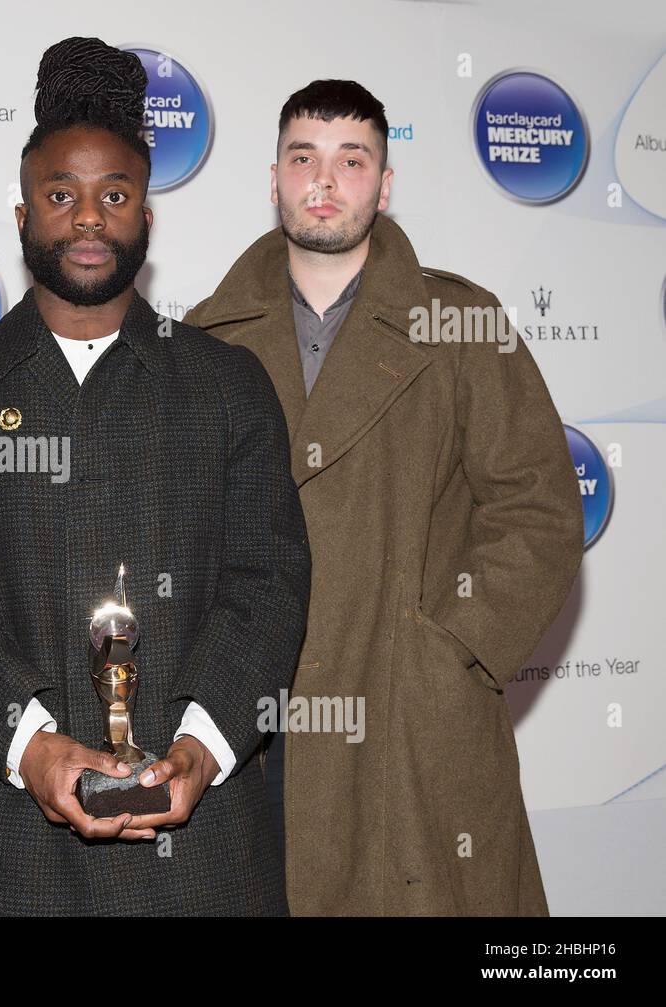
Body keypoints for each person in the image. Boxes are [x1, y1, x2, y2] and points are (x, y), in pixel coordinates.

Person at [0, 37, 311, 915]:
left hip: (209, 853)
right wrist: (35, 745)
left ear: (148, 220)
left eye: (114, 195)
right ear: (22, 217)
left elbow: (269, 586)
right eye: (61, 196)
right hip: (16, 855)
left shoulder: (228, 386)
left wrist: (199, 745)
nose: (88, 218)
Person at [186, 79, 584, 915]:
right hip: (251, 720)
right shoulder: (201, 340)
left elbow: (539, 508)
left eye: (351, 160)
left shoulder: (463, 325)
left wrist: (452, 649)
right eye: (304, 158)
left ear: (384, 184)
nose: (324, 181)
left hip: (412, 725)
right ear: (274, 178)